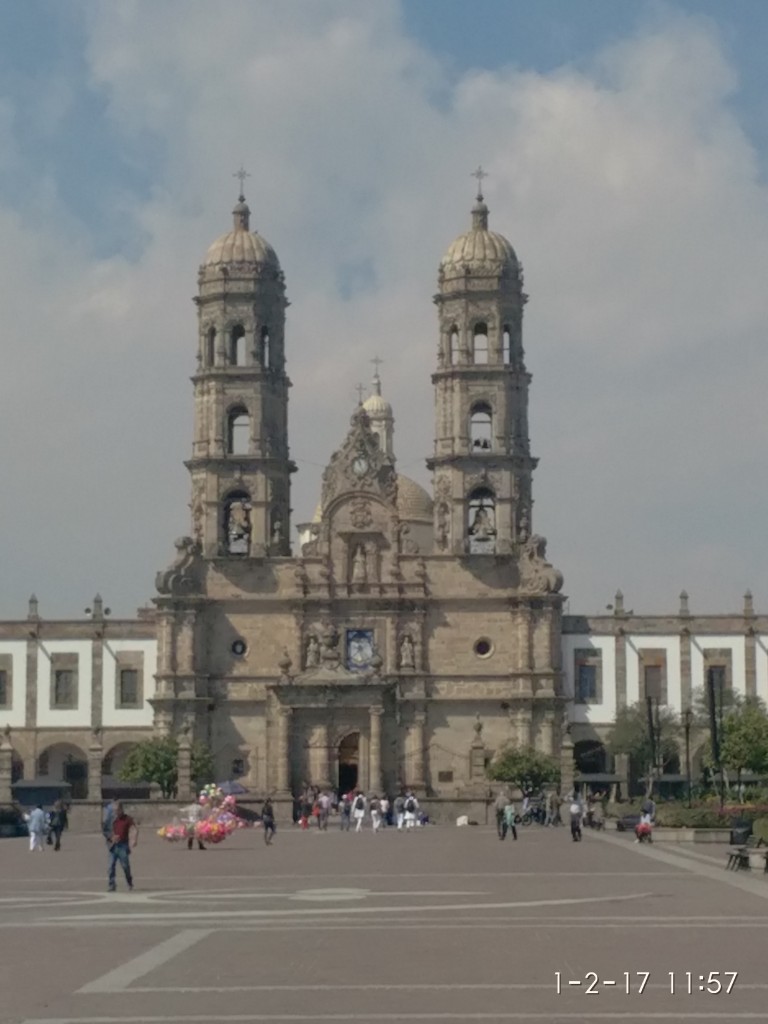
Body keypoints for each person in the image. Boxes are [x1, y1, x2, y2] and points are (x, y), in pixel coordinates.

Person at [107, 801, 138, 892]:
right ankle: (112, 885)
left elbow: (134, 828)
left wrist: (134, 839)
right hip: (113, 845)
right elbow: (106, 830)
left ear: (121, 809)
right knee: (111, 866)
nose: (115, 812)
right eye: (114, 810)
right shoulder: (111, 819)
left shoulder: (127, 819)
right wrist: (111, 837)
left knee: (125, 866)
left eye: (117, 810)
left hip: (123, 845)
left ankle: (129, 882)